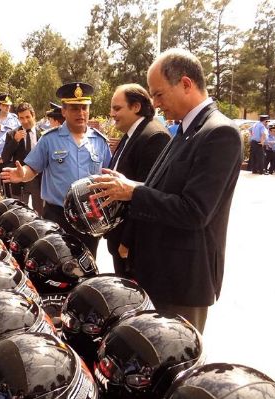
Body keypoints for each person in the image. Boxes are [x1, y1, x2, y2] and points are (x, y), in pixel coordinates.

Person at [87, 49, 242, 333]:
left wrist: (134, 192)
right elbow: (163, 188)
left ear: (186, 84)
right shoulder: (185, 129)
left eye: (159, 95)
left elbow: (194, 212)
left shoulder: (219, 133)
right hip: (160, 273)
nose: (155, 105)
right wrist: (130, 187)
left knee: (172, 362)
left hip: (182, 281)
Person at [0, 82, 112, 258]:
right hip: (57, 216)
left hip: (89, 217)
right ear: (64, 111)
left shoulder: (100, 142)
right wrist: (23, 175)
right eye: (74, 108)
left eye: (84, 107)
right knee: (57, 262)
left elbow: (107, 178)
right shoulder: (49, 140)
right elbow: (33, 168)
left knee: (88, 264)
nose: (81, 113)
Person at [104, 83, 170, 277]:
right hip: (119, 237)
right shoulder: (132, 134)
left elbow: (146, 195)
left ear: (136, 107)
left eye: (117, 108)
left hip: (133, 245)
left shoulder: (154, 136)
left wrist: (128, 240)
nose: (112, 114)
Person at [1, 102, 44, 214]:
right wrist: (15, 141)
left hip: (38, 181)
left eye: (27, 117)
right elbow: (5, 157)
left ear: (33, 116)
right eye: (21, 118)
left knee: (40, 212)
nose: (24, 121)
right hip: (19, 181)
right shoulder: (12, 134)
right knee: (19, 213)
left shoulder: (43, 134)